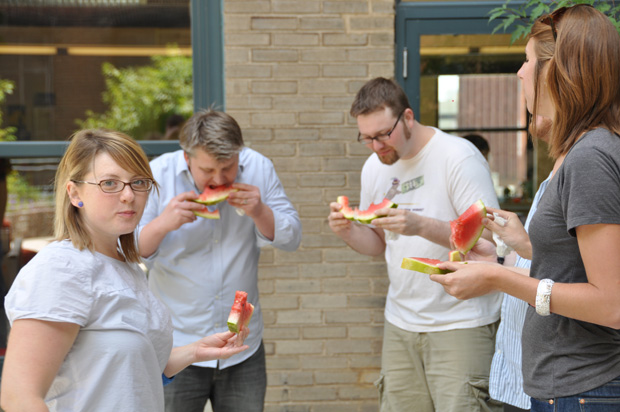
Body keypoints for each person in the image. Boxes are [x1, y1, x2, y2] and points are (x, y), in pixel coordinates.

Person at [432, 5, 620, 411]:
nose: (520, 72)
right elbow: (580, 267)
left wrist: (498, 278)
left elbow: (611, 303)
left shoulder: (591, 157)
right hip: (567, 390)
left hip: (585, 392)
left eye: (530, 61)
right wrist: (522, 247)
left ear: (559, 72)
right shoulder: (579, 153)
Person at [0, 129, 249, 412]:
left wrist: (195, 351)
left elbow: (125, 375)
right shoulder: (62, 269)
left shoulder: (125, 266)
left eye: (138, 182)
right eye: (109, 183)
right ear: (75, 194)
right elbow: (19, 398)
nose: (129, 195)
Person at [328, 77, 502, 412]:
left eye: (383, 134)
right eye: (367, 138)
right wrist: (348, 231)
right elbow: (378, 243)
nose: (377, 146)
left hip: (461, 323)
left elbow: (487, 240)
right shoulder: (374, 168)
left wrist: (420, 225)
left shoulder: (458, 157)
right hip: (401, 322)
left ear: (407, 117)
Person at [138, 109, 302, 412]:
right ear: (186, 157)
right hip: (176, 345)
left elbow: (292, 237)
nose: (218, 179)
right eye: (208, 170)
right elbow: (131, 250)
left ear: (240, 153)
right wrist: (163, 223)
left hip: (240, 348)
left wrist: (260, 212)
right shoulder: (158, 174)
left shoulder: (259, 167)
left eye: (228, 168)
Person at [486, 117, 553, 412]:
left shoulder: (590, 164)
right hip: (521, 375)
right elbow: (549, 263)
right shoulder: (554, 176)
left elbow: (579, 281)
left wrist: (494, 274)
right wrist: (500, 259)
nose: (521, 71)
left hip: (552, 378)